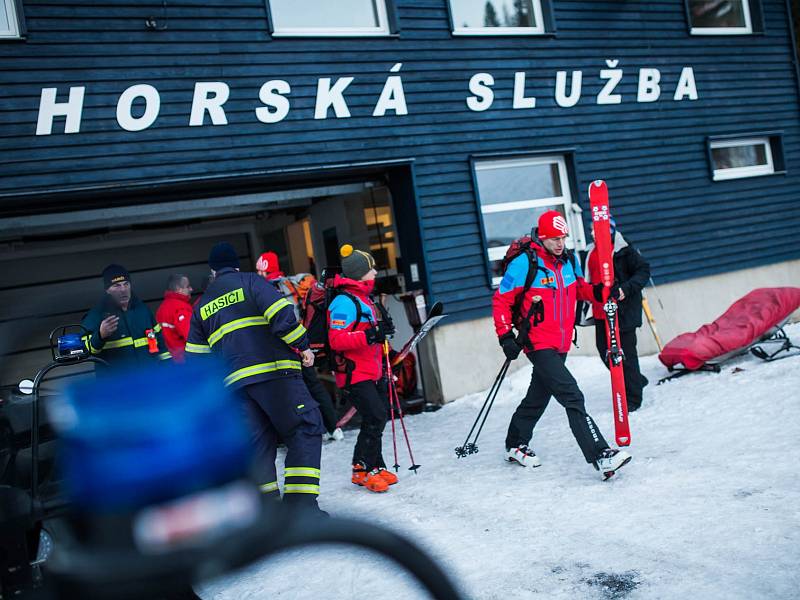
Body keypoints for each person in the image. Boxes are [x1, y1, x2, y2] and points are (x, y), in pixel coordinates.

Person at [185, 242, 325, 510]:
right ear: (236, 264)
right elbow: (281, 316)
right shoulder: (250, 281)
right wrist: (304, 346)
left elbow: (196, 359)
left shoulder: (201, 306)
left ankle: (268, 513)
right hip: (275, 374)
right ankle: (301, 508)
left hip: (235, 388)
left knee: (257, 447)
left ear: (213, 271)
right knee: (304, 428)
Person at [492, 210, 631, 480]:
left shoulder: (568, 260)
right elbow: (501, 300)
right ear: (542, 237)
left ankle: (515, 443)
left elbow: (580, 288)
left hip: (562, 340)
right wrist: (505, 335)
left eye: (563, 237)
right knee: (572, 395)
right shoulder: (525, 263)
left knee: (538, 395)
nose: (559, 243)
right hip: (537, 341)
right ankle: (600, 454)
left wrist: (602, 293)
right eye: (554, 238)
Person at [328, 244, 397, 493]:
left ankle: (375, 466)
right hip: (354, 372)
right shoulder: (343, 302)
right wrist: (370, 335)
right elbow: (337, 340)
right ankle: (361, 470)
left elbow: (370, 333)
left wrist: (382, 335)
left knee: (377, 416)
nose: (376, 272)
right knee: (375, 416)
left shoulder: (364, 298)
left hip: (373, 369)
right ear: (359, 273)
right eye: (371, 269)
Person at [258, 249, 344, 442]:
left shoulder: (266, 290)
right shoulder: (292, 285)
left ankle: (295, 434)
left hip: (283, 347)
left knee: (286, 392)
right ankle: (333, 427)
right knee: (313, 385)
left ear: (264, 269)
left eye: (259, 270)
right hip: (302, 343)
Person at [583, 218, 651, 412]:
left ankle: (633, 397)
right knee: (603, 349)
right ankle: (636, 380)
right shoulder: (590, 251)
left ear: (610, 231)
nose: (594, 234)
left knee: (626, 354)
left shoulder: (624, 249)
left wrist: (624, 289)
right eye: (592, 231)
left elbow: (643, 271)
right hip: (599, 310)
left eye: (598, 231)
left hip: (622, 310)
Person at [81, 264, 171, 370]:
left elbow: (160, 341)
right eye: (117, 286)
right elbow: (85, 351)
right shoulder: (96, 315)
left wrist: (168, 367)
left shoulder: (143, 310)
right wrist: (100, 336)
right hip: (118, 383)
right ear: (107, 290)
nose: (123, 289)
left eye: (126, 284)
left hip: (149, 379)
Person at [155, 273, 194, 362]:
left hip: (170, 362)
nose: (191, 289)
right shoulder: (181, 307)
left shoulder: (161, 309)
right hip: (185, 361)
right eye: (188, 286)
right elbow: (191, 336)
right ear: (178, 289)